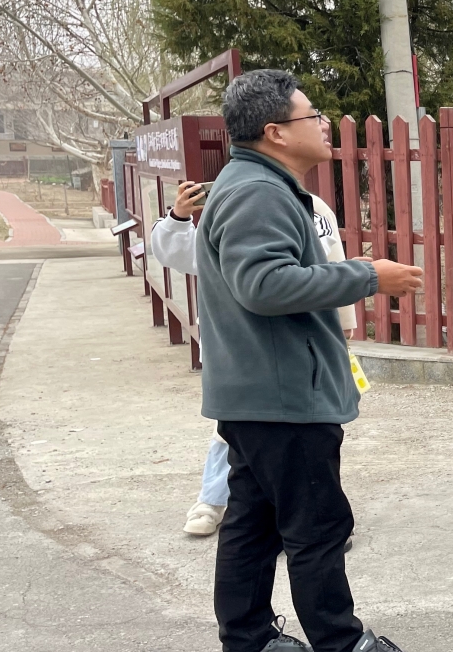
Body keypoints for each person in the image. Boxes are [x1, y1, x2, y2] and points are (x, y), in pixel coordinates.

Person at [197, 69, 434, 652]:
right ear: (275, 132)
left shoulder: (253, 184)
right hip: (282, 396)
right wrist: (367, 275)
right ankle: (343, 648)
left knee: (254, 521)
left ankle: (248, 644)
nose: (323, 124)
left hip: (258, 392)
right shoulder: (258, 192)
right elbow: (264, 284)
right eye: (312, 116)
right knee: (318, 524)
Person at [152, 178, 357, 538]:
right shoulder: (235, 203)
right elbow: (187, 256)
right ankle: (215, 500)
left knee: (305, 433)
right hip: (241, 345)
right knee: (236, 431)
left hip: (303, 341)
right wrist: (179, 217)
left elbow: (331, 261)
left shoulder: (313, 207)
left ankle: (308, 515)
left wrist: (343, 322)